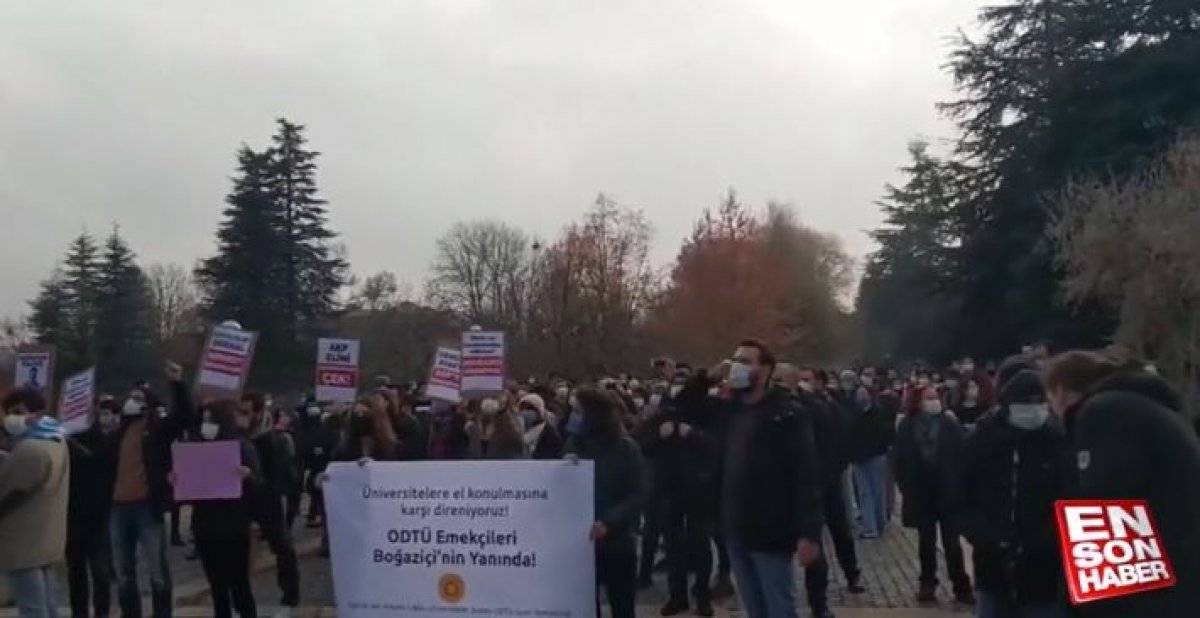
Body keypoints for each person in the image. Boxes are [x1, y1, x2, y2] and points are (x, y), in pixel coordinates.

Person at [1043, 350, 1200, 616]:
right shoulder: (1150, 408)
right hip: (1180, 570)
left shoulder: (1102, 414)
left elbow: (1106, 510)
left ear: (1060, 391)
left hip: (1149, 587)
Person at [721, 339, 823, 618]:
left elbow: (806, 474)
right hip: (735, 525)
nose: (737, 367)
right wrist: (706, 377)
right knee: (753, 607)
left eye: (745, 362)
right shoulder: (730, 409)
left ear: (765, 370)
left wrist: (809, 533)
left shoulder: (787, 414)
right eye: (735, 360)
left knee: (778, 606)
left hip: (771, 529)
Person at [962, 367, 1069, 618]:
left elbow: (1070, 497)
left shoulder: (1058, 441)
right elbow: (964, 495)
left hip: (1044, 569)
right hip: (993, 565)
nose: (1033, 410)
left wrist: (1049, 540)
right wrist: (983, 535)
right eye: (1025, 404)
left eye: (1038, 403)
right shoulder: (983, 440)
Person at [641, 373, 721, 617]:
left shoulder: (709, 410)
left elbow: (718, 445)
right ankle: (678, 596)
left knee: (700, 542)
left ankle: (702, 595)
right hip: (669, 486)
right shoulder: (665, 411)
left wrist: (692, 434)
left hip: (699, 486)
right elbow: (643, 443)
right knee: (673, 544)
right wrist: (659, 435)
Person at [111, 368, 186, 618]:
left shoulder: (157, 429)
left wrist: (177, 384)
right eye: (131, 397)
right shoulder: (119, 432)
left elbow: (182, 416)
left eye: (139, 398)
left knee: (157, 570)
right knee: (123, 571)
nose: (132, 401)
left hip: (146, 507)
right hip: (118, 508)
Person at [565, 387, 645, 618]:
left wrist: (609, 522)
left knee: (622, 605)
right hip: (581, 544)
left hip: (617, 543)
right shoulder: (573, 445)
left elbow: (638, 495)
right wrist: (563, 469)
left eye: (578, 411)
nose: (574, 417)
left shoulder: (626, 449)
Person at [182, 400, 263, 618]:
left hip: (234, 525)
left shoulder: (240, 445)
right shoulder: (195, 447)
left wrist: (248, 476)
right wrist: (178, 480)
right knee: (217, 587)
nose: (206, 425)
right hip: (205, 526)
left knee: (239, 584)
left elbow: (259, 484)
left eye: (211, 420)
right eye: (204, 420)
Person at [894, 386, 973, 605]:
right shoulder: (907, 426)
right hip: (921, 493)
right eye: (928, 398)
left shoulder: (949, 424)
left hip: (948, 491)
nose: (933, 401)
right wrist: (906, 488)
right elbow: (899, 460)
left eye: (935, 397)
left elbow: (963, 454)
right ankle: (927, 583)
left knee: (952, 542)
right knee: (926, 542)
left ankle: (961, 586)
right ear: (918, 401)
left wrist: (960, 486)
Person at [0, 389, 69, 618]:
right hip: (46, 536)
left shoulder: (30, 448)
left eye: (18, 412)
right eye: (9, 413)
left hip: (23, 539)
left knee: (32, 608)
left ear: (37, 413)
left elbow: (10, 489)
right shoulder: (56, 439)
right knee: (47, 603)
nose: (12, 418)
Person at [239, 392, 301, 608]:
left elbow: (279, 476)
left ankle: (290, 594)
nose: (242, 417)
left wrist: (255, 479)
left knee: (282, 547)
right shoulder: (237, 437)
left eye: (246, 412)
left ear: (258, 413)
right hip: (243, 499)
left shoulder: (273, 440)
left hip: (268, 499)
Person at [65, 398, 120, 618]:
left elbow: (102, 461)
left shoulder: (106, 441)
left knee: (100, 572)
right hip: (73, 514)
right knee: (76, 571)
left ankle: (101, 613)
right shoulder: (67, 440)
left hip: (100, 515)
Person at [846, 369, 894, 541]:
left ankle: (874, 526)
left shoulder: (872, 413)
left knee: (872, 492)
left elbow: (887, 433)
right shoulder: (861, 412)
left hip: (873, 456)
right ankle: (873, 526)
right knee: (870, 492)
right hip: (865, 457)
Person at [519, 393, 564, 460]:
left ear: (539, 411)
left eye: (530, 409)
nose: (525, 412)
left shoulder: (549, 434)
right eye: (522, 409)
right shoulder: (517, 430)